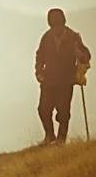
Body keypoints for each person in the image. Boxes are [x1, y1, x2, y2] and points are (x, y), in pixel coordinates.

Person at [34, 8, 91, 145]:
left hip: (66, 80)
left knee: (64, 111)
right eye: (54, 25)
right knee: (43, 109)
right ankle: (50, 135)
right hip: (49, 80)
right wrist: (39, 71)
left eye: (58, 24)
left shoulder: (73, 37)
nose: (56, 28)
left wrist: (80, 55)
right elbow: (40, 56)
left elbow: (86, 55)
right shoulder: (46, 37)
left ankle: (61, 139)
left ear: (63, 22)